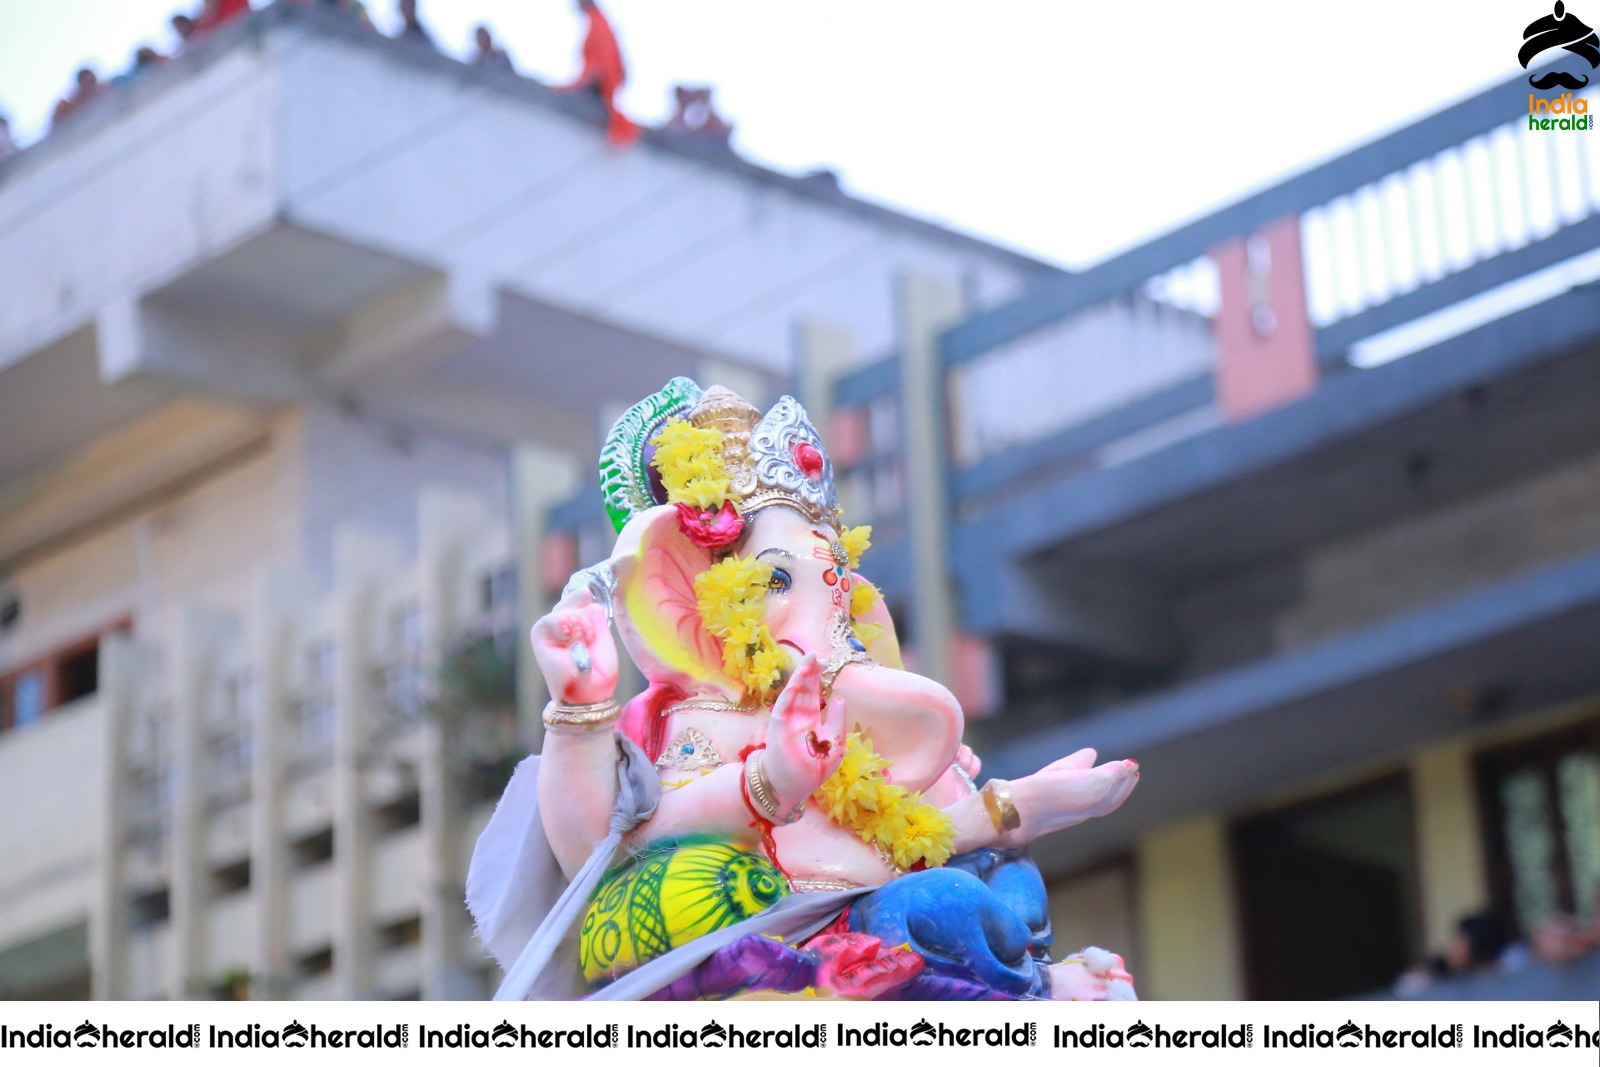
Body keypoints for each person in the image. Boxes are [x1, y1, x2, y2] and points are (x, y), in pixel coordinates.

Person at [468, 379, 1142, 1001]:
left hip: (875, 916)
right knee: (941, 906)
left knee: (1002, 876)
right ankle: (1040, 992)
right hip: (788, 956)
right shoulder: (711, 714)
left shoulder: (841, 712)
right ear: (688, 598)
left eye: (833, 591)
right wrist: (767, 778)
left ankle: (1037, 979)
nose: (828, 621)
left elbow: (911, 841)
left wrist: (1024, 804)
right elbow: (615, 842)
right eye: (776, 584)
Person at [561, 0, 637, 147]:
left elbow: (598, 66)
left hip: (599, 88)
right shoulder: (599, 22)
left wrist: (574, 88)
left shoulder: (599, 23)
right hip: (601, 87)